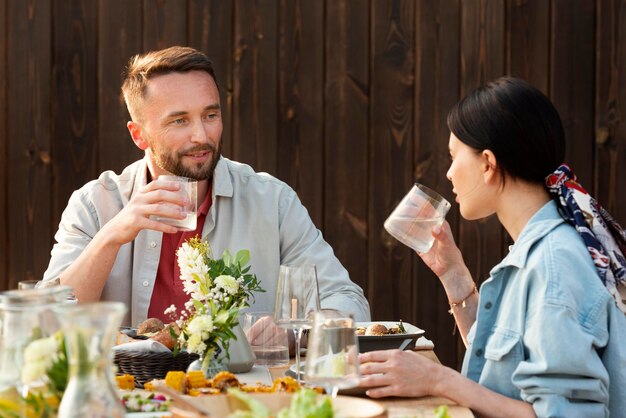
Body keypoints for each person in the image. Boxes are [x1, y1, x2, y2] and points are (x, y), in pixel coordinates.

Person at [42, 46, 371, 327]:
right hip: (127, 396)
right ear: (138, 134)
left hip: (239, 394)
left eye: (210, 115)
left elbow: (348, 302)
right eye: (180, 120)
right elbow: (46, 325)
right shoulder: (95, 204)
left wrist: (288, 332)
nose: (201, 135)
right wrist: (113, 235)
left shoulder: (272, 202)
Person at [359, 77, 626, 417]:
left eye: (455, 156)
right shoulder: (536, 248)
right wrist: (452, 273)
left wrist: (438, 380)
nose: (450, 173)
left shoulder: (555, 264)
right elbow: (503, 370)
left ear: (487, 163)